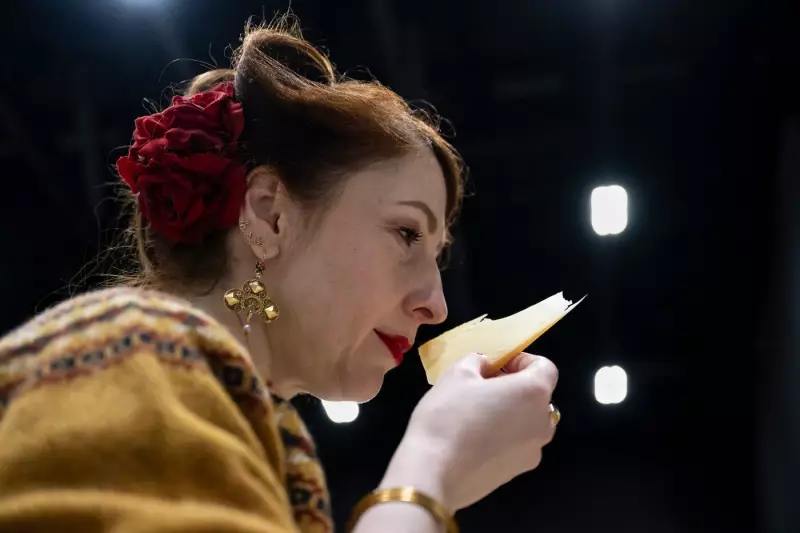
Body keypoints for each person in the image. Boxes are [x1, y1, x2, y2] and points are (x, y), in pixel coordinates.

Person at [0, 18, 559, 533]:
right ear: (269, 215)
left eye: (437, 256)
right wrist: (432, 467)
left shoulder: (274, 448)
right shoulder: (129, 351)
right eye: (408, 233)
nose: (436, 305)